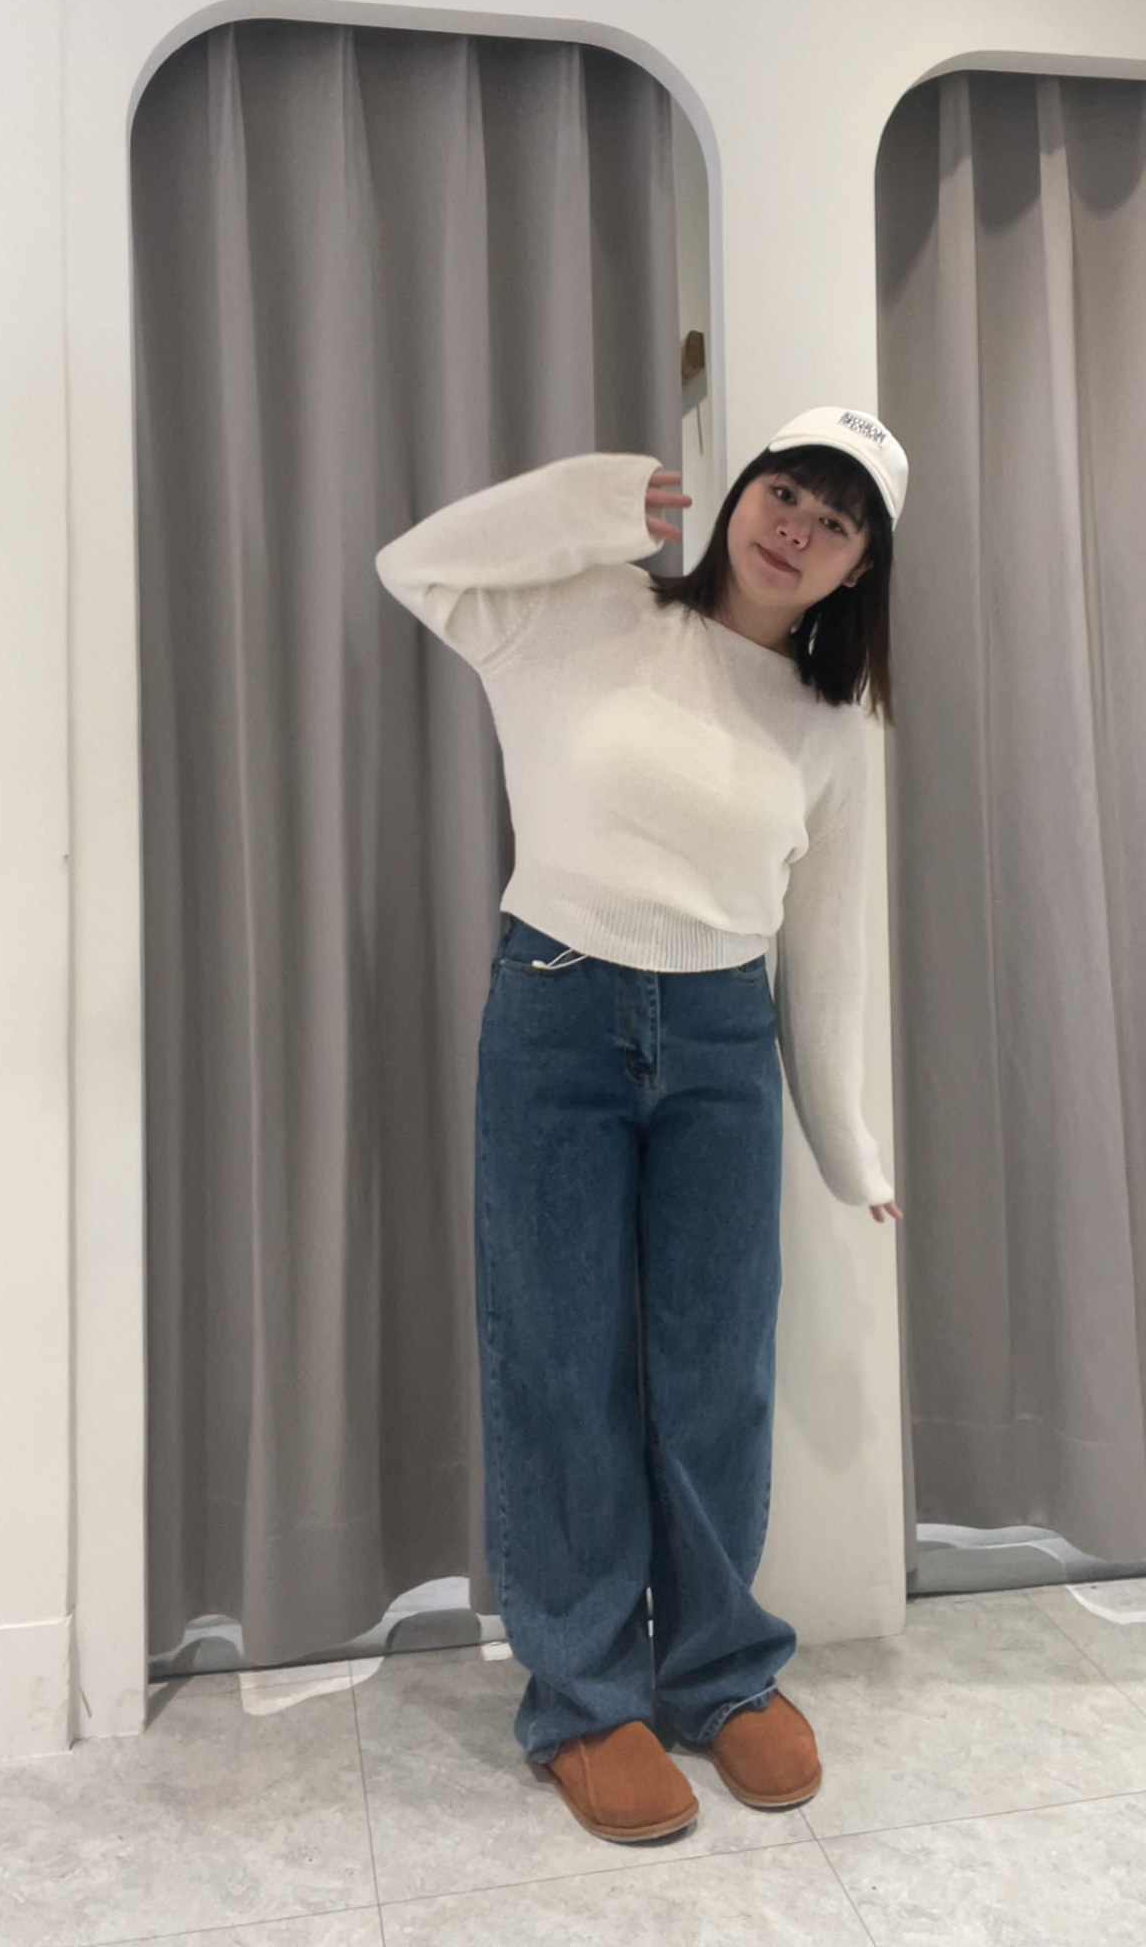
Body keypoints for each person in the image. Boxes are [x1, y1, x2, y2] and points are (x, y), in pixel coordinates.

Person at [374, 405, 908, 1847]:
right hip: (557, 1010)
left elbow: (829, 947)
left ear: (859, 568)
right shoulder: (584, 615)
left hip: (726, 1037)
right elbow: (413, 565)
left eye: (836, 522)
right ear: (742, 492)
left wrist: (849, 1142)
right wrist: (595, 503)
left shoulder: (833, 726)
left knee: (717, 1368)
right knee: (559, 1362)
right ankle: (585, 1697)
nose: (796, 528)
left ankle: (720, 1673)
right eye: (785, 491)